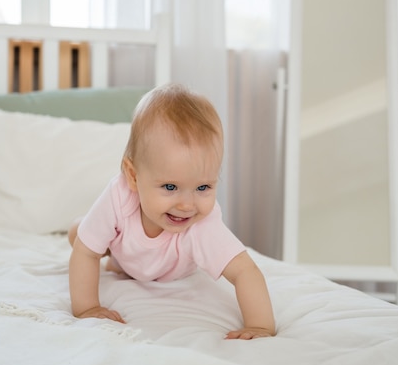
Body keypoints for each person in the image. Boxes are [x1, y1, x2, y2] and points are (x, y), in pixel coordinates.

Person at [68, 83, 276, 339]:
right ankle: (115, 260)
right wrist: (88, 307)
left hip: (170, 268)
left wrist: (260, 326)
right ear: (133, 176)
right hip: (124, 250)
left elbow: (246, 272)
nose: (187, 205)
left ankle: (118, 262)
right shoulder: (119, 195)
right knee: (79, 236)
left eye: (203, 187)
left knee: (90, 238)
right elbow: (87, 252)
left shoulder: (201, 222)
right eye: (170, 186)